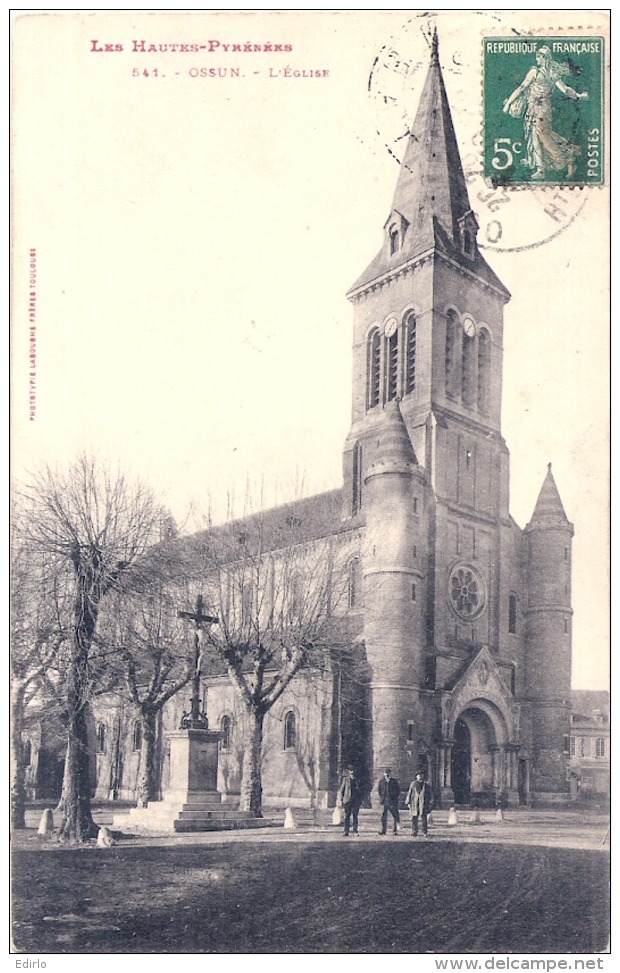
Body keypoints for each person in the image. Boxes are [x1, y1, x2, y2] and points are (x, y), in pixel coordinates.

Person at [502, 46, 588, 180]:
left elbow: (522, 88)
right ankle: (534, 160)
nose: (536, 58)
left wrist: (508, 104)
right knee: (538, 133)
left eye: (539, 56)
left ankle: (542, 168)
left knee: (539, 135)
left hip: (540, 109)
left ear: (545, 58)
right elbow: (565, 89)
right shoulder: (552, 73)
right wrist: (578, 96)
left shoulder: (535, 72)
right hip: (539, 108)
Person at [405, 772, 434, 837]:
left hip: (423, 804)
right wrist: (408, 802)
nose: (420, 777)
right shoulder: (413, 784)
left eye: (421, 775)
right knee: (414, 818)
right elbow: (409, 793)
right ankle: (414, 831)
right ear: (416, 777)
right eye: (419, 776)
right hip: (414, 804)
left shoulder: (426, 785)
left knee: (424, 818)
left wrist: (431, 803)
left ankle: (425, 832)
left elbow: (430, 794)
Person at [338, 767, 364, 836]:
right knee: (347, 815)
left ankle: (355, 831)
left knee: (355, 815)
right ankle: (346, 831)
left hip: (356, 800)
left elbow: (362, 790)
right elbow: (342, 790)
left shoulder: (358, 780)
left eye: (353, 771)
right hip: (348, 800)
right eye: (351, 771)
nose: (352, 772)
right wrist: (341, 800)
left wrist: (360, 799)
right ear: (349, 772)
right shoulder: (345, 779)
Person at [377, 768, 401, 834]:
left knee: (395, 815)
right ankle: (383, 830)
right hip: (384, 801)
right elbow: (379, 790)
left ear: (390, 773)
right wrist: (382, 797)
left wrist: (394, 797)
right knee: (383, 816)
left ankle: (395, 830)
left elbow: (398, 790)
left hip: (392, 801)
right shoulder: (381, 781)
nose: (387, 774)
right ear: (384, 773)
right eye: (385, 773)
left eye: (388, 773)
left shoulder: (394, 781)